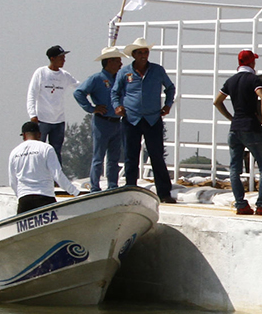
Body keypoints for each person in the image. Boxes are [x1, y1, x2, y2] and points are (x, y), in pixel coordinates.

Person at [112, 37, 177, 203]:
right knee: (130, 157)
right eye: (140, 52)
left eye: (146, 52)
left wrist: (168, 105)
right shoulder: (124, 72)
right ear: (133, 54)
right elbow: (115, 92)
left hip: (152, 118)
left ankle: (164, 193)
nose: (143, 55)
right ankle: (130, 190)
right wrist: (117, 106)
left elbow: (170, 88)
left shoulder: (157, 70)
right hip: (131, 118)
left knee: (157, 156)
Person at [213, 49, 262, 216]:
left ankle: (241, 204)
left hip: (235, 128)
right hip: (251, 127)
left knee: (235, 168)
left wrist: (230, 117)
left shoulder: (231, 80)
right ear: (252, 63)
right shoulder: (253, 79)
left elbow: (217, 101)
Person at [74, 46, 128, 192]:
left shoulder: (119, 79)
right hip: (102, 122)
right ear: (109, 62)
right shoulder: (97, 79)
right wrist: (91, 108)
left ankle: (112, 185)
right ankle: (95, 186)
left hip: (117, 122)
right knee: (98, 157)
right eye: (117, 61)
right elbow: (79, 93)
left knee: (114, 158)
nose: (120, 64)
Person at [9, 121, 80, 214]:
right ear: (39, 135)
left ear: (24, 136)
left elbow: (12, 182)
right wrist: (75, 192)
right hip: (44, 197)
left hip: (24, 200)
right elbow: (57, 175)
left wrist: (20, 196)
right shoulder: (46, 148)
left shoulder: (14, 153)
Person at [26, 44, 79, 160]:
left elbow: (79, 86)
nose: (63, 60)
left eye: (64, 58)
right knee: (38, 151)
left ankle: (56, 177)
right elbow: (32, 94)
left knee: (56, 152)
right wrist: (32, 115)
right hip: (42, 119)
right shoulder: (41, 73)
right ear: (52, 58)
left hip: (58, 120)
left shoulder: (64, 75)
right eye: (61, 58)